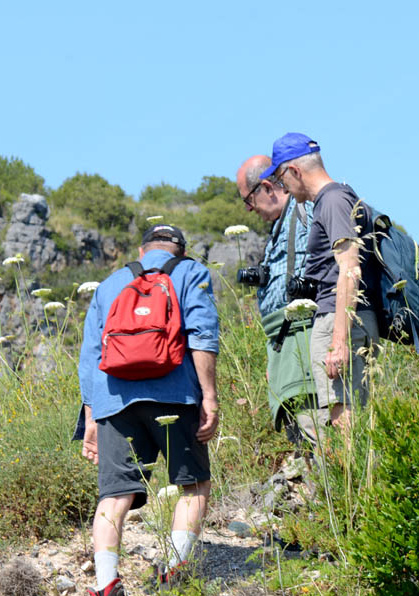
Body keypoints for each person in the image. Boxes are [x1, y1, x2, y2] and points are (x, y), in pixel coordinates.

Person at [75, 224, 220, 595]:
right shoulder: (190, 271)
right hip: (174, 394)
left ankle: (107, 582)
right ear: (179, 251)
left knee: (114, 494)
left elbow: (91, 355)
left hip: (114, 401)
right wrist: (209, 397)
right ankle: (172, 568)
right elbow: (202, 335)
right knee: (194, 484)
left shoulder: (110, 284)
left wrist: (91, 417)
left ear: (142, 251)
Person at [260, 133, 380, 436]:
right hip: (336, 319)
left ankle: (357, 483)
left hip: (339, 322)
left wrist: (339, 340)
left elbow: (349, 269)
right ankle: (351, 481)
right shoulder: (334, 199)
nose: (282, 187)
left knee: (344, 417)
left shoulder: (333, 201)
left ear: (294, 171)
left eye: (280, 178)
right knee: (339, 415)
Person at [236, 155, 315, 445]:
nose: (248, 209)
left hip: (306, 337)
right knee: (297, 423)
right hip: (285, 341)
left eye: (248, 199)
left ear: (267, 187)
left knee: (312, 423)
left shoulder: (309, 208)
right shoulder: (281, 225)